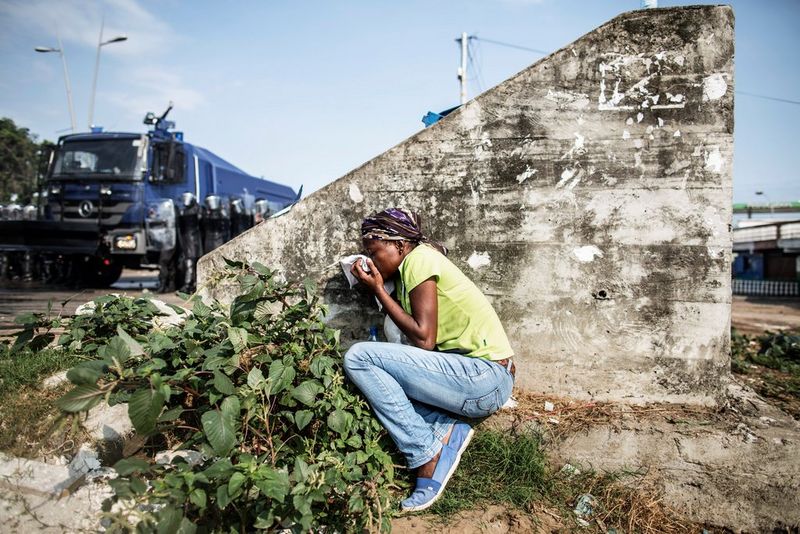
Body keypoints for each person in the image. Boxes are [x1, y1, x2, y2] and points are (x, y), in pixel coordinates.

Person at [344, 207, 515, 512]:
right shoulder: (412, 269)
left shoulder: (419, 260)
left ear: (399, 245)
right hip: (475, 378)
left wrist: (379, 290)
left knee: (359, 357)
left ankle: (426, 454)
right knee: (380, 370)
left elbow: (424, 338)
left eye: (374, 251)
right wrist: (381, 289)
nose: (371, 259)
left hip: (484, 377)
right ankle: (446, 429)